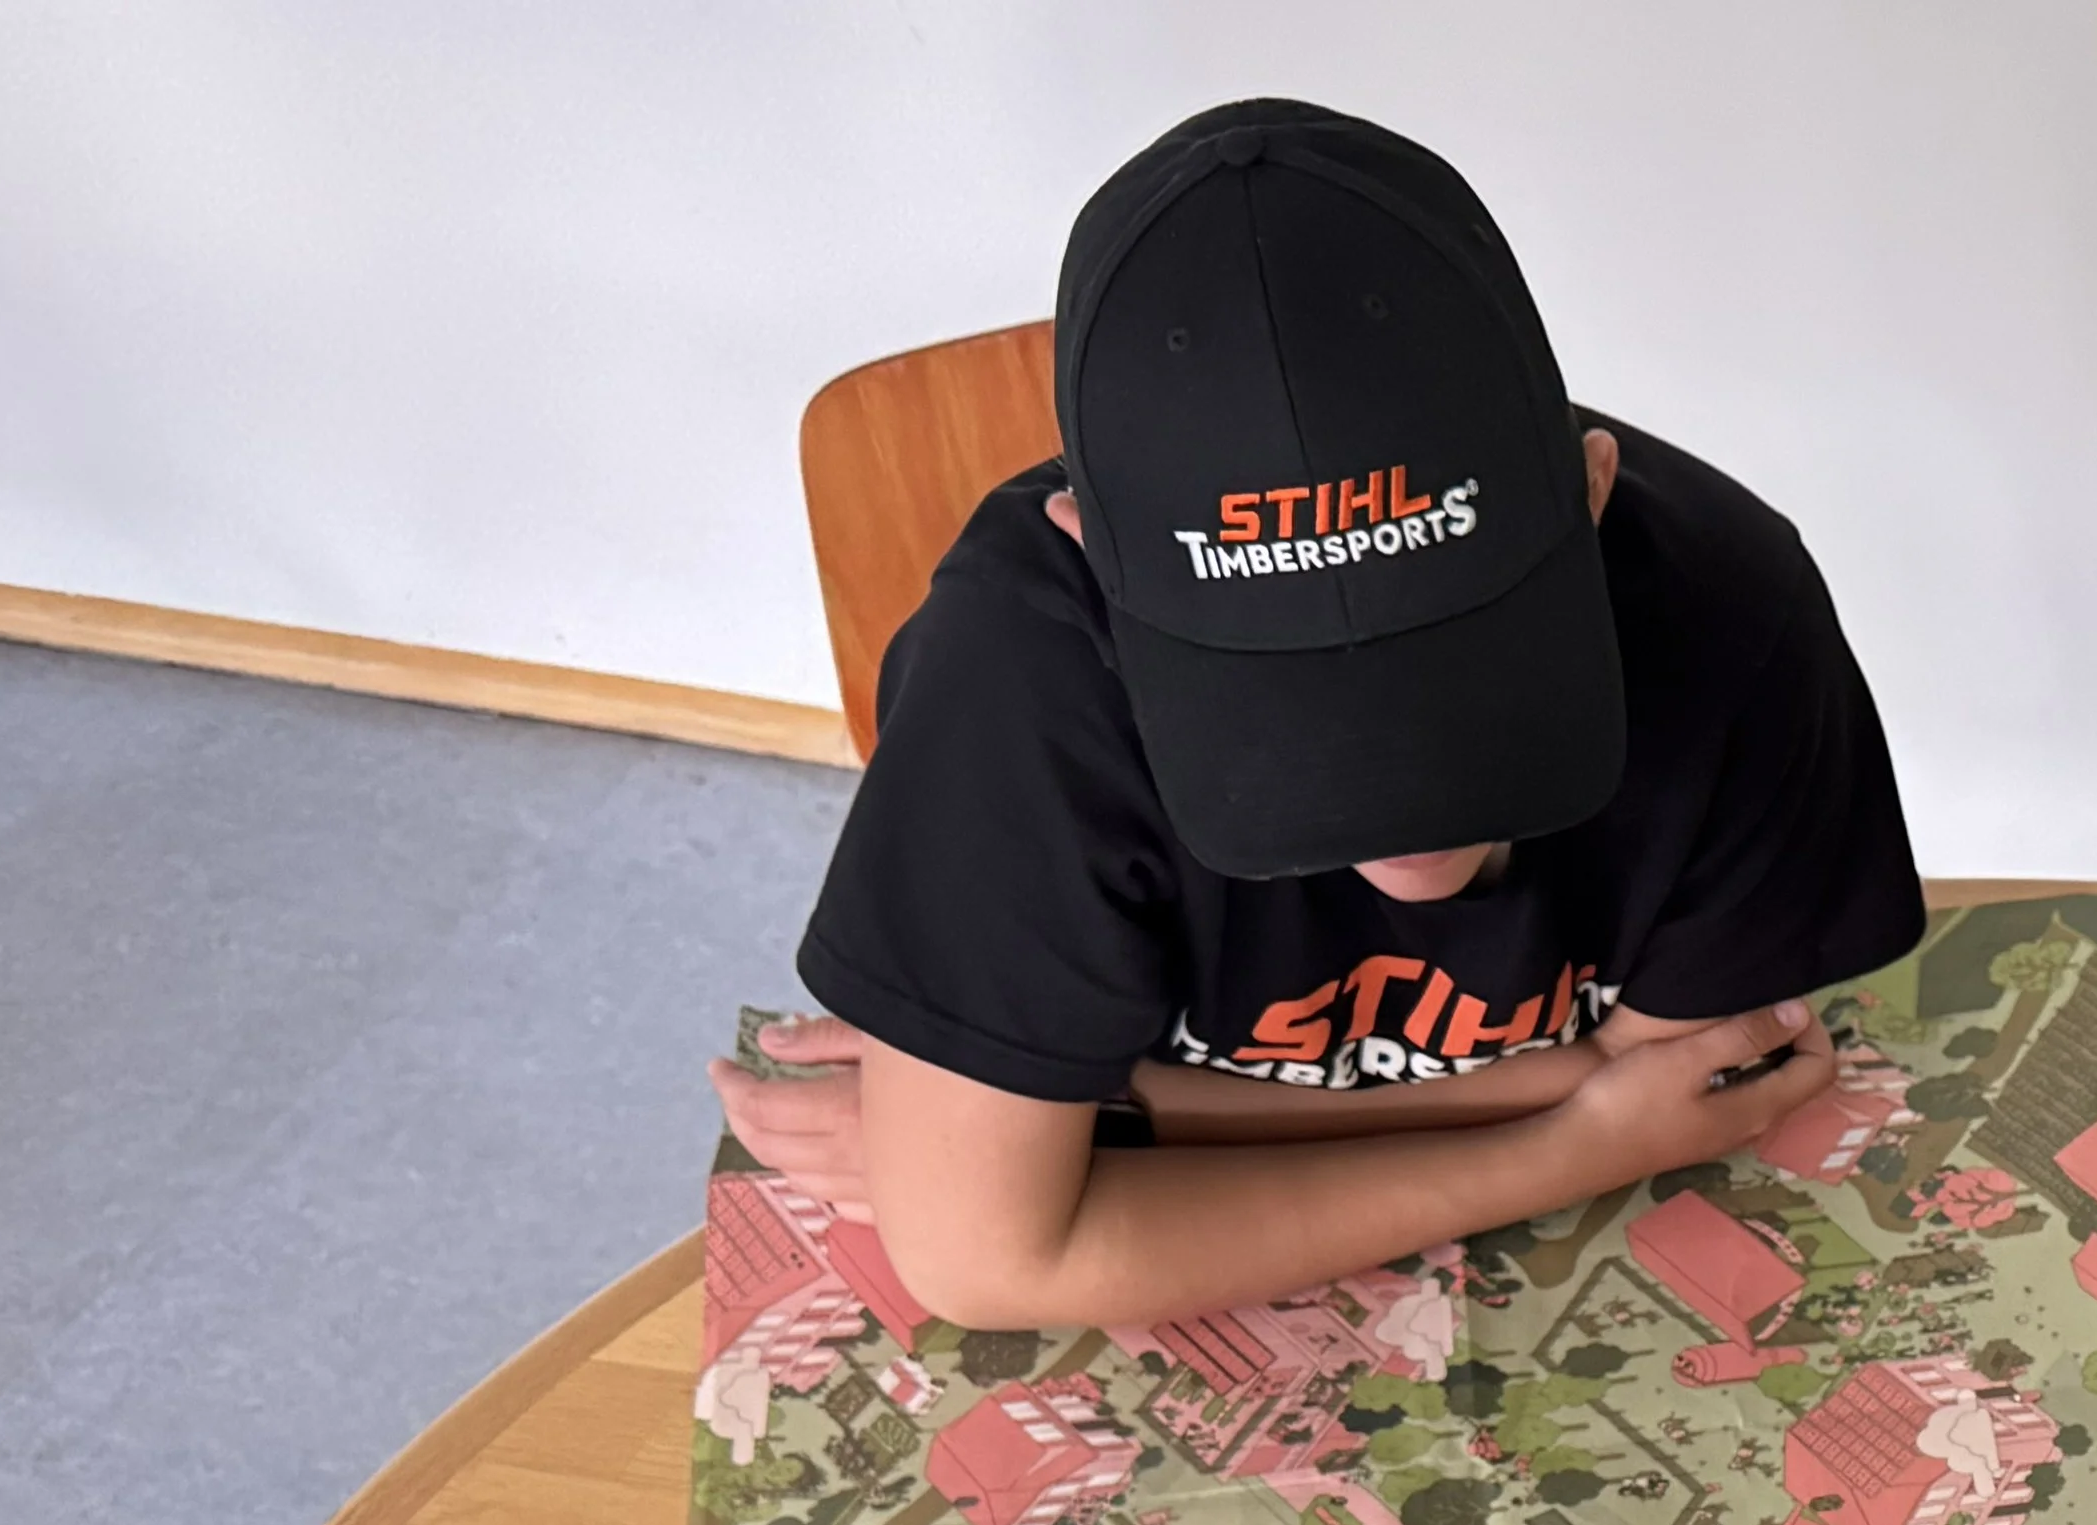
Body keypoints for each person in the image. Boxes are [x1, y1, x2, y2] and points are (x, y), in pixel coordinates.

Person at [709, 100, 1926, 1340]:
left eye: (1451, 681)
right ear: (1086, 554)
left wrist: (1116, 1115)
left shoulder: (1733, 612)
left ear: (1592, 488)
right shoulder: (1016, 671)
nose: (1408, 840)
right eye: (1288, 715)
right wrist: (1572, 1138)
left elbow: (1689, 1084)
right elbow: (991, 1270)